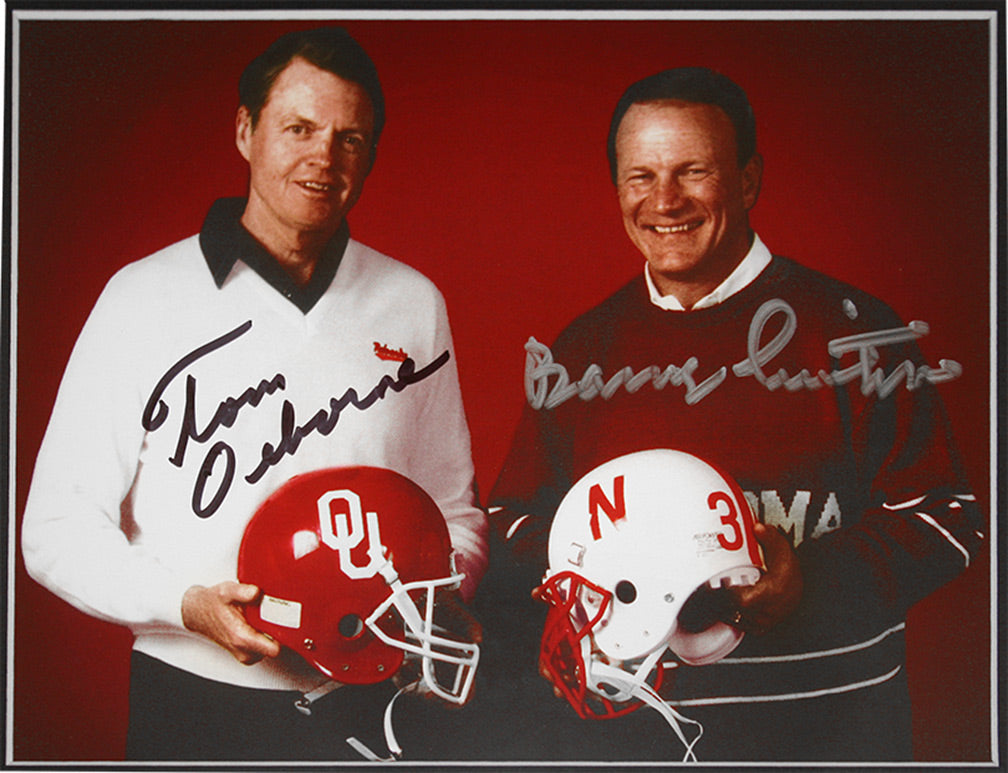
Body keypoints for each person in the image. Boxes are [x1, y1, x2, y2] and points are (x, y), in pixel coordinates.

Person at [479, 67, 984, 762]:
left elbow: (944, 518)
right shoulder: (579, 352)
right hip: (634, 746)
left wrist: (810, 581)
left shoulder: (857, 332)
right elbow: (511, 521)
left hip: (832, 742)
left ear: (748, 181)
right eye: (640, 176)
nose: (665, 201)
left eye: (693, 171)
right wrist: (585, 589)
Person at [21, 27, 487, 762]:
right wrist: (184, 605)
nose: (324, 157)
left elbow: (455, 514)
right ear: (245, 131)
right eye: (299, 128)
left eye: (349, 139)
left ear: (369, 156)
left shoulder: (412, 303)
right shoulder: (141, 297)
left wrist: (432, 600)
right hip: (192, 704)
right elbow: (54, 528)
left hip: (373, 705)